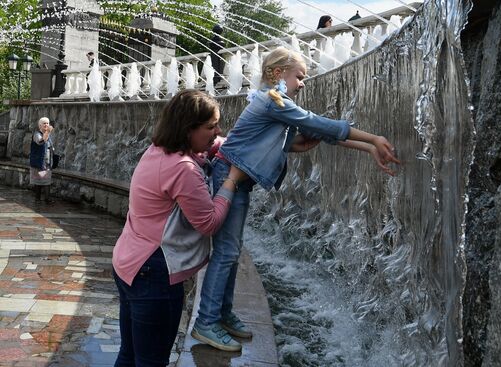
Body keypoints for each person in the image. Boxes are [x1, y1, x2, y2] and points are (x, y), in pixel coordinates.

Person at [191, 47, 400, 351]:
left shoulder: (275, 102)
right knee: (226, 253)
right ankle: (206, 322)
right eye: (299, 77)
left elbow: (318, 134)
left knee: (231, 251)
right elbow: (317, 122)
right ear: (277, 74)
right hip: (229, 176)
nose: (303, 83)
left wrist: (369, 149)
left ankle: (221, 314)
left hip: (237, 179)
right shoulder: (272, 101)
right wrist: (373, 138)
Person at [111, 90, 247, 366]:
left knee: (129, 354)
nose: (217, 131)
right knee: (152, 361)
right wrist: (231, 180)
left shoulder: (157, 150)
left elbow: (209, 145)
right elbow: (208, 222)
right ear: (188, 130)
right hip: (154, 274)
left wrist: (220, 143)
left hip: (128, 264)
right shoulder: (183, 169)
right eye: (210, 127)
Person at [29, 117, 55, 203]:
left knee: (44, 180)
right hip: (39, 162)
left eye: (47, 123)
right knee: (40, 180)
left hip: (46, 162)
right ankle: (42, 199)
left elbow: (49, 146)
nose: (46, 125)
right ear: (40, 125)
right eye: (44, 123)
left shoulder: (47, 135)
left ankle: (41, 198)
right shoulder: (37, 134)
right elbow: (40, 142)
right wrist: (47, 132)